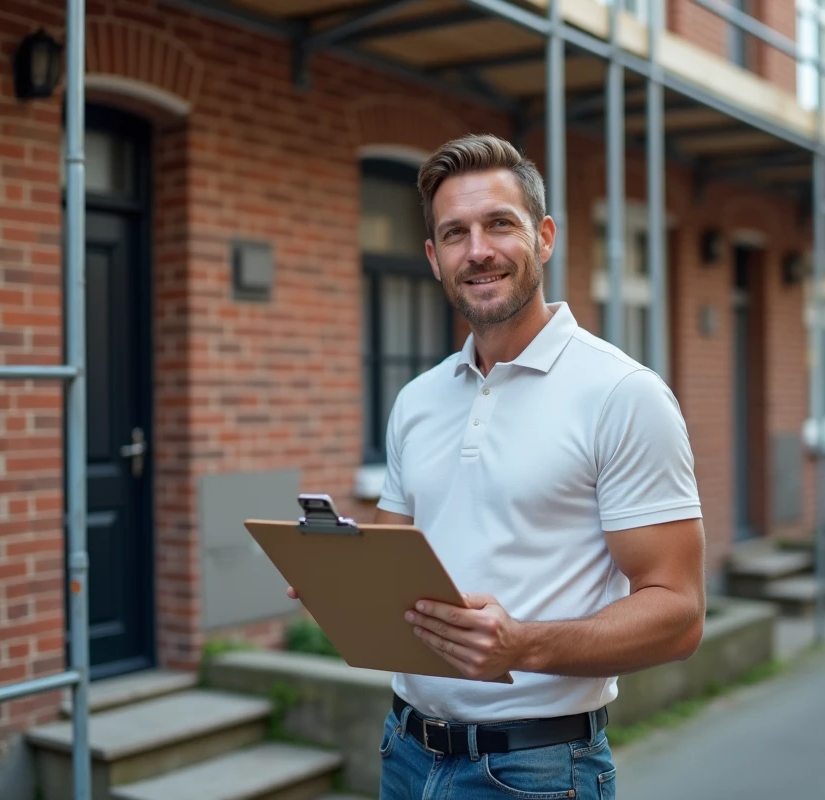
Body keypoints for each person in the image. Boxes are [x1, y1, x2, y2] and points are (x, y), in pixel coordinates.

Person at [288, 133, 705, 799]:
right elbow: (399, 567)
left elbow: (680, 614)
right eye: (454, 233)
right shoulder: (418, 399)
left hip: (536, 770)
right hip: (405, 753)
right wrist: (342, 586)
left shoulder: (623, 394)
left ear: (544, 237)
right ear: (433, 257)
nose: (477, 250)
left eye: (499, 224)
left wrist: (525, 646)